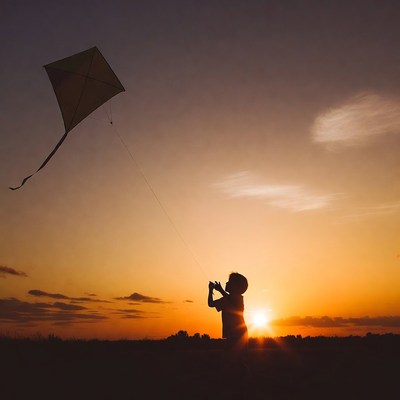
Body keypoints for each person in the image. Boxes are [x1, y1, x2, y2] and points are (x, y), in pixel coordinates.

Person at [208, 272, 249, 378]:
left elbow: (234, 303)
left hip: (239, 334)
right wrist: (210, 290)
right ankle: (241, 378)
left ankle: (241, 379)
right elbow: (211, 304)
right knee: (233, 359)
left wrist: (220, 290)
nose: (226, 283)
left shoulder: (238, 298)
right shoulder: (225, 299)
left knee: (234, 358)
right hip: (232, 334)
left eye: (230, 282)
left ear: (236, 287)